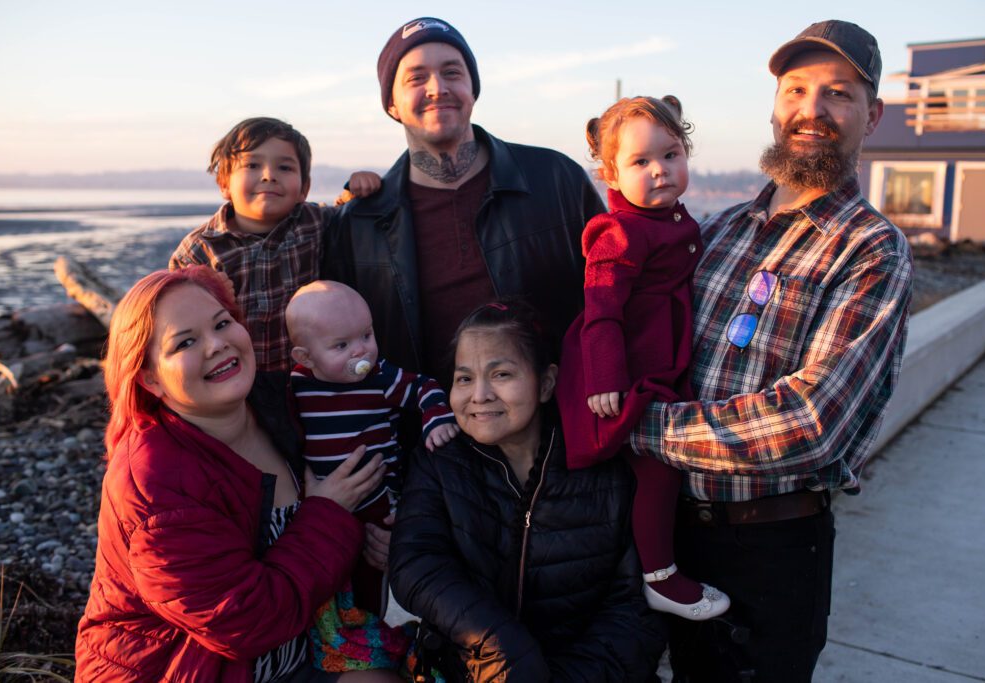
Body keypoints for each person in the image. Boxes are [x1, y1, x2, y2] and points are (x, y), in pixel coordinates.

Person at [628, 20, 913, 682]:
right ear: (776, 104)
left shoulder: (869, 248)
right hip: (663, 536)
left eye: (838, 94)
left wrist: (637, 428)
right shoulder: (718, 230)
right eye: (796, 89)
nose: (812, 110)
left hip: (767, 550)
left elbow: (811, 425)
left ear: (872, 115)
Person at [74, 265, 398, 683]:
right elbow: (247, 622)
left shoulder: (285, 402)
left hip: (308, 640)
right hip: (191, 667)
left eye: (223, 323)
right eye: (185, 342)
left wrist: (388, 538)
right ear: (150, 378)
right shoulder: (155, 481)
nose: (217, 345)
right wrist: (330, 514)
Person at [390, 301, 667, 682]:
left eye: (501, 374)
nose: (480, 395)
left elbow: (633, 607)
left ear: (547, 383)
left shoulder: (603, 469)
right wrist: (499, 648)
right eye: (464, 378)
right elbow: (416, 566)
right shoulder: (439, 461)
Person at [324, 17, 606, 379]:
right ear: (391, 104)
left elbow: (616, 294)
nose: (437, 87)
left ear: (473, 89)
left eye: (452, 72)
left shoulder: (555, 178)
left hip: (559, 423)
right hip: (422, 428)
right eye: (416, 78)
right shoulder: (359, 224)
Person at [555, 96, 729, 621]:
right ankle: (660, 576)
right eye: (640, 162)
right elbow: (600, 306)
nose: (660, 171)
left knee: (659, 470)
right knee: (656, 471)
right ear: (609, 172)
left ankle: (645, 563)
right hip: (622, 371)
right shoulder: (620, 232)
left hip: (660, 361)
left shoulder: (672, 218)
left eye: (671, 154)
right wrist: (606, 378)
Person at [285, 280, 459, 615]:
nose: (361, 351)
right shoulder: (296, 385)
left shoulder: (380, 377)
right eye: (341, 345)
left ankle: (374, 624)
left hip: (378, 501)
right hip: (325, 502)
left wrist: (436, 417)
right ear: (305, 356)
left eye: (366, 335)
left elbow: (425, 387)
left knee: (373, 575)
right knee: (329, 583)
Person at [169, 117, 381, 372]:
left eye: (285, 168)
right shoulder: (201, 248)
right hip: (238, 377)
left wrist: (357, 186)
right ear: (224, 184)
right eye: (253, 165)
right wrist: (210, 293)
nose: (268, 176)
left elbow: (345, 213)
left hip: (308, 373)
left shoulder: (312, 221)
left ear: (304, 188)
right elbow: (176, 315)